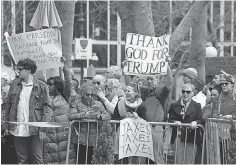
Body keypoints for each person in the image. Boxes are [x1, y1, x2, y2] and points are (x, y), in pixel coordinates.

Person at [4, 58, 53, 164]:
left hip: (35, 129)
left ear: (29, 70)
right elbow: (8, 106)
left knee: (37, 158)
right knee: (21, 159)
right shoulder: (14, 84)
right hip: (17, 127)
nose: (18, 71)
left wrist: (43, 129)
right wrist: (7, 126)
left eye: (20, 69)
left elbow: (47, 109)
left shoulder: (42, 87)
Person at [69, 82, 111, 164]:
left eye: (92, 95)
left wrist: (99, 116)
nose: (90, 97)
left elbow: (108, 115)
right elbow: (71, 116)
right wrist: (84, 115)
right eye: (87, 95)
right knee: (80, 161)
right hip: (80, 139)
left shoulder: (98, 104)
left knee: (92, 162)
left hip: (94, 140)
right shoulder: (77, 103)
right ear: (82, 94)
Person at [112, 83, 147, 164]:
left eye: (129, 91)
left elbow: (145, 120)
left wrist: (137, 117)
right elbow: (114, 117)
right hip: (122, 134)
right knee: (121, 159)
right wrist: (123, 119)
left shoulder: (141, 104)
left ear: (135, 93)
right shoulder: (120, 102)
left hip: (135, 136)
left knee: (134, 159)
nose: (126, 92)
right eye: (126, 91)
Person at [43, 76, 75, 164]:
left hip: (64, 134)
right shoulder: (44, 97)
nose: (48, 86)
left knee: (66, 158)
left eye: (50, 84)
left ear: (58, 85)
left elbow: (68, 82)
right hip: (50, 134)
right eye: (47, 84)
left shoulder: (65, 95)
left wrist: (65, 66)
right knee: (51, 159)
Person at [168, 83, 203, 164]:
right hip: (178, 137)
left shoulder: (197, 105)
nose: (185, 94)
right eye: (183, 91)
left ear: (193, 93)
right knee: (178, 161)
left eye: (188, 92)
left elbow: (201, 120)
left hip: (191, 137)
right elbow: (169, 119)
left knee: (189, 161)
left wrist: (196, 122)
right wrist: (174, 122)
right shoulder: (174, 105)